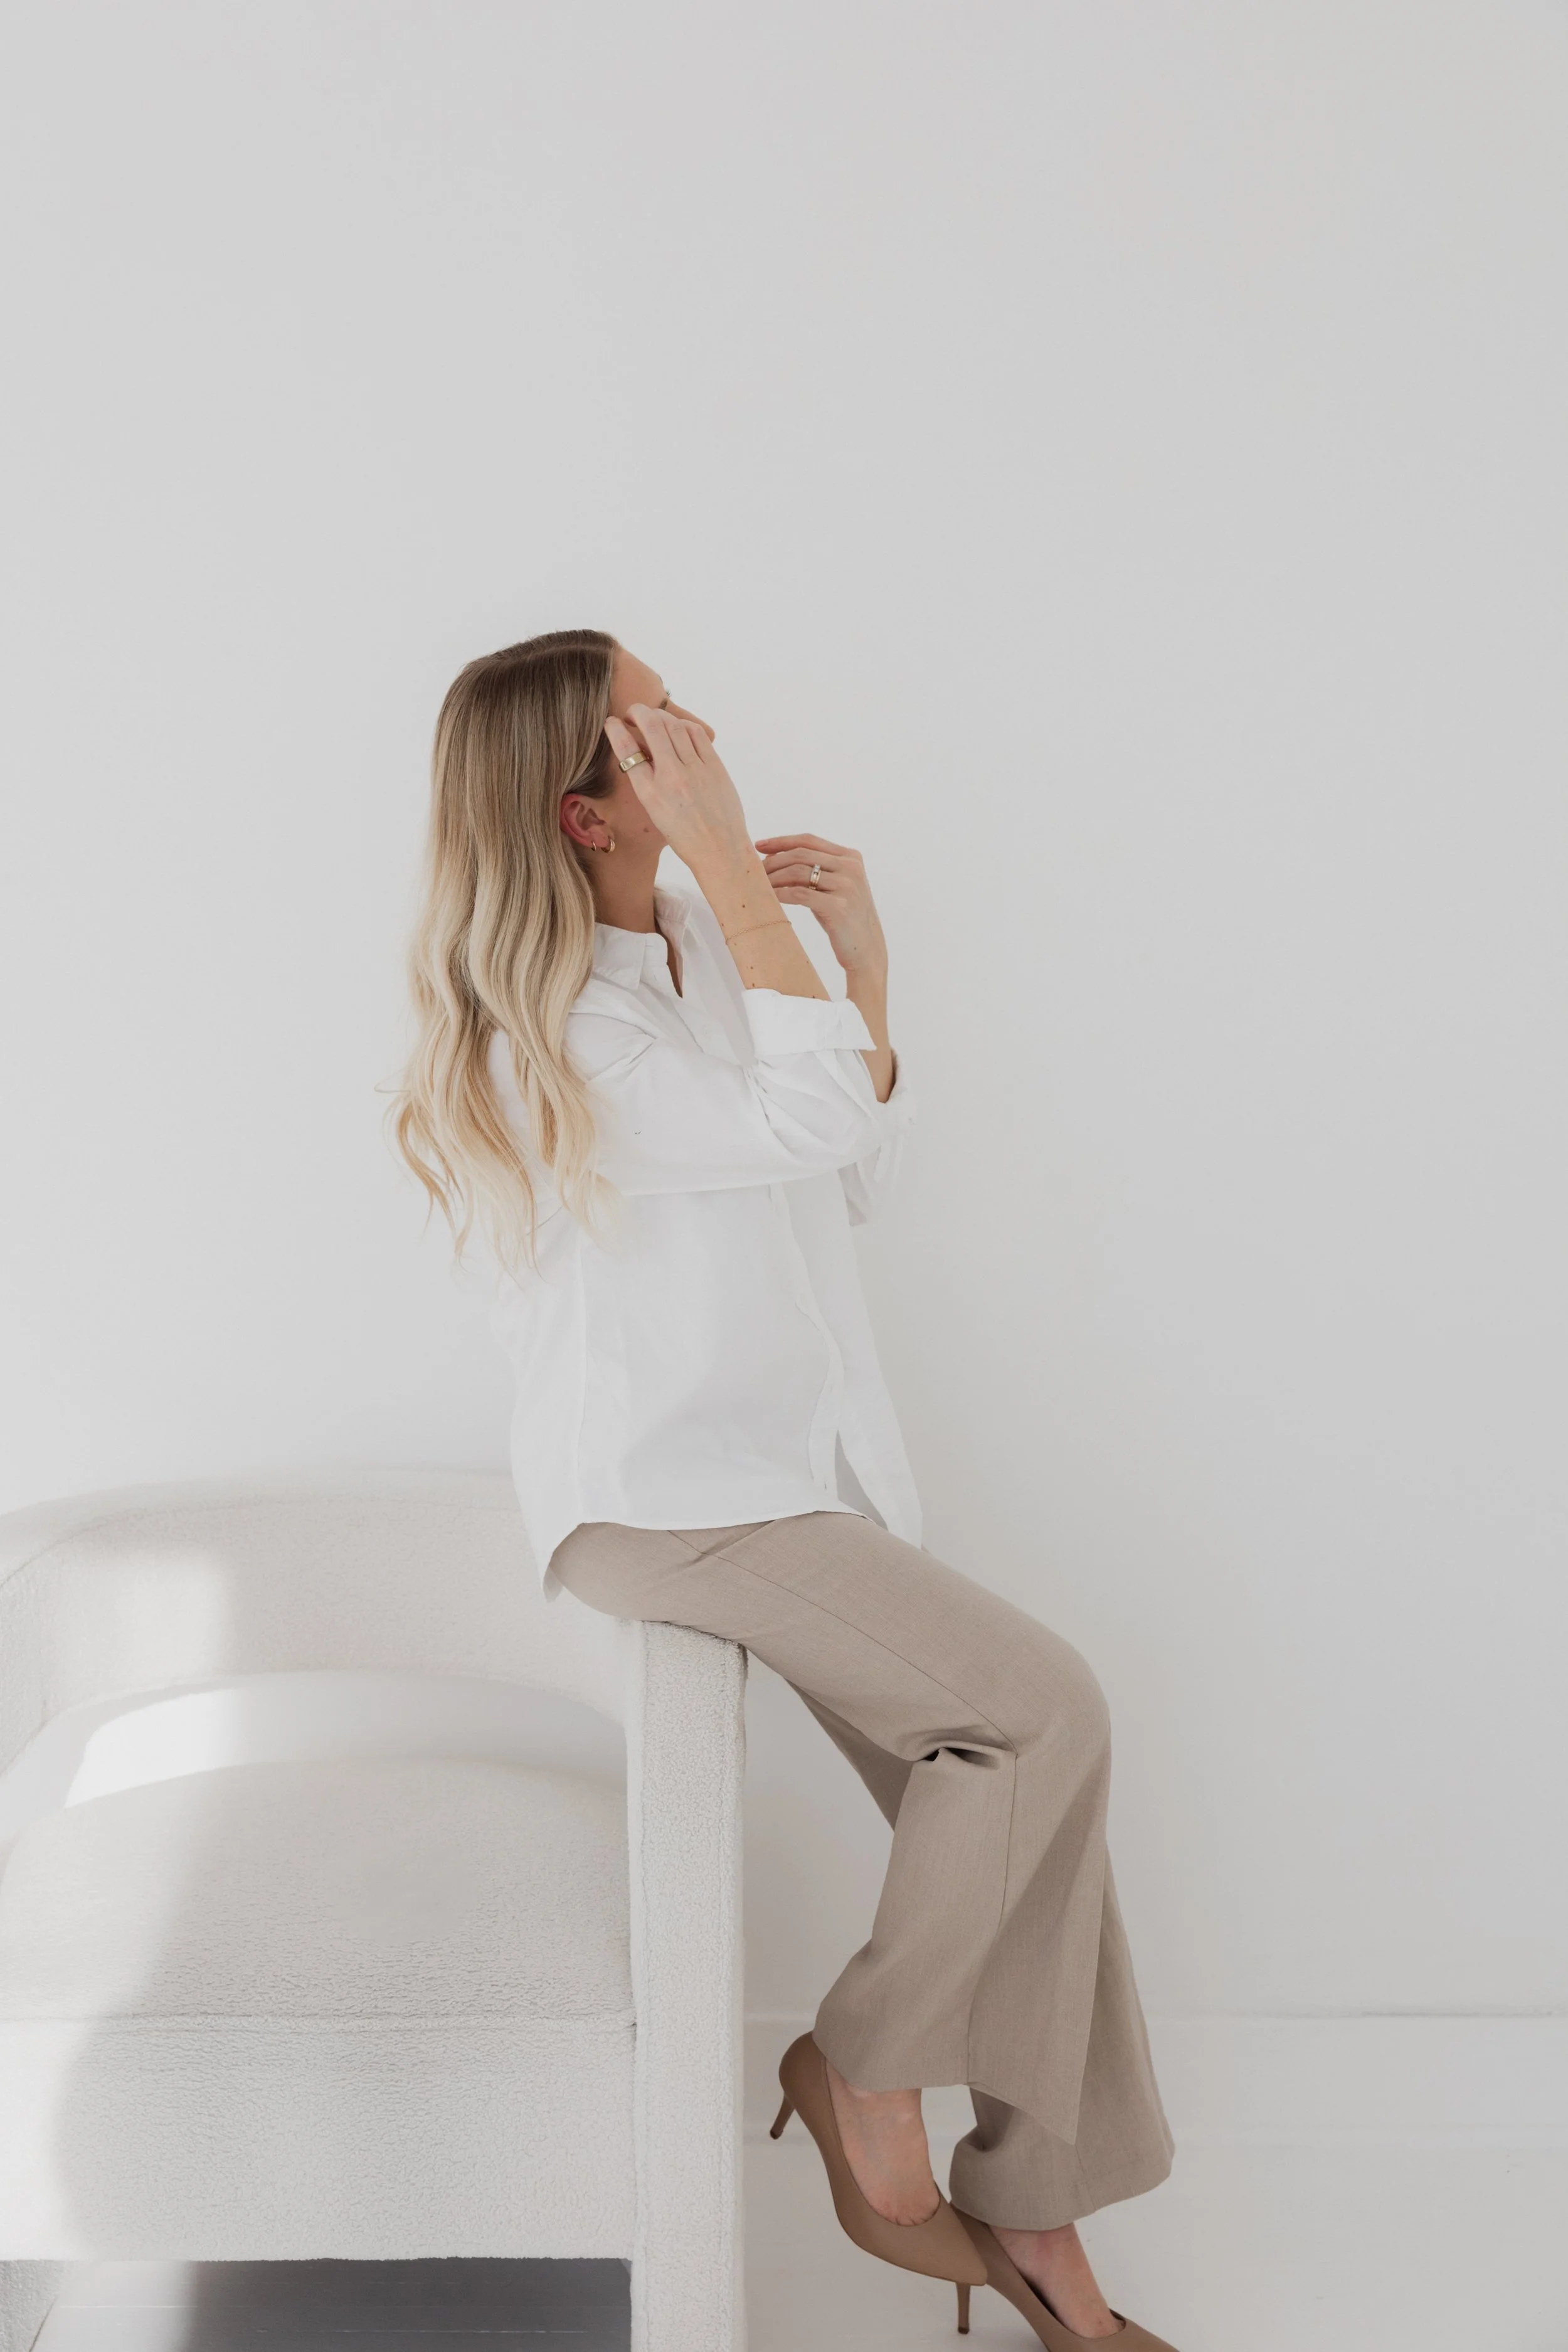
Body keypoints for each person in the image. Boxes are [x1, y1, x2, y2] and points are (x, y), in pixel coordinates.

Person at [393, 628, 1180, 2349]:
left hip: (776, 1479)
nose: (696, 736)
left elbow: (845, 1163)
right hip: (668, 1501)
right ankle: (859, 2061)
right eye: (650, 731)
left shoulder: (676, 945)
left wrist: (855, 967)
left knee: (1033, 1804)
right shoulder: (564, 1036)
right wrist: (757, 891)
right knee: (1040, 1714)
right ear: (581, 811)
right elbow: (801, 1120)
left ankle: (1039, 2224)